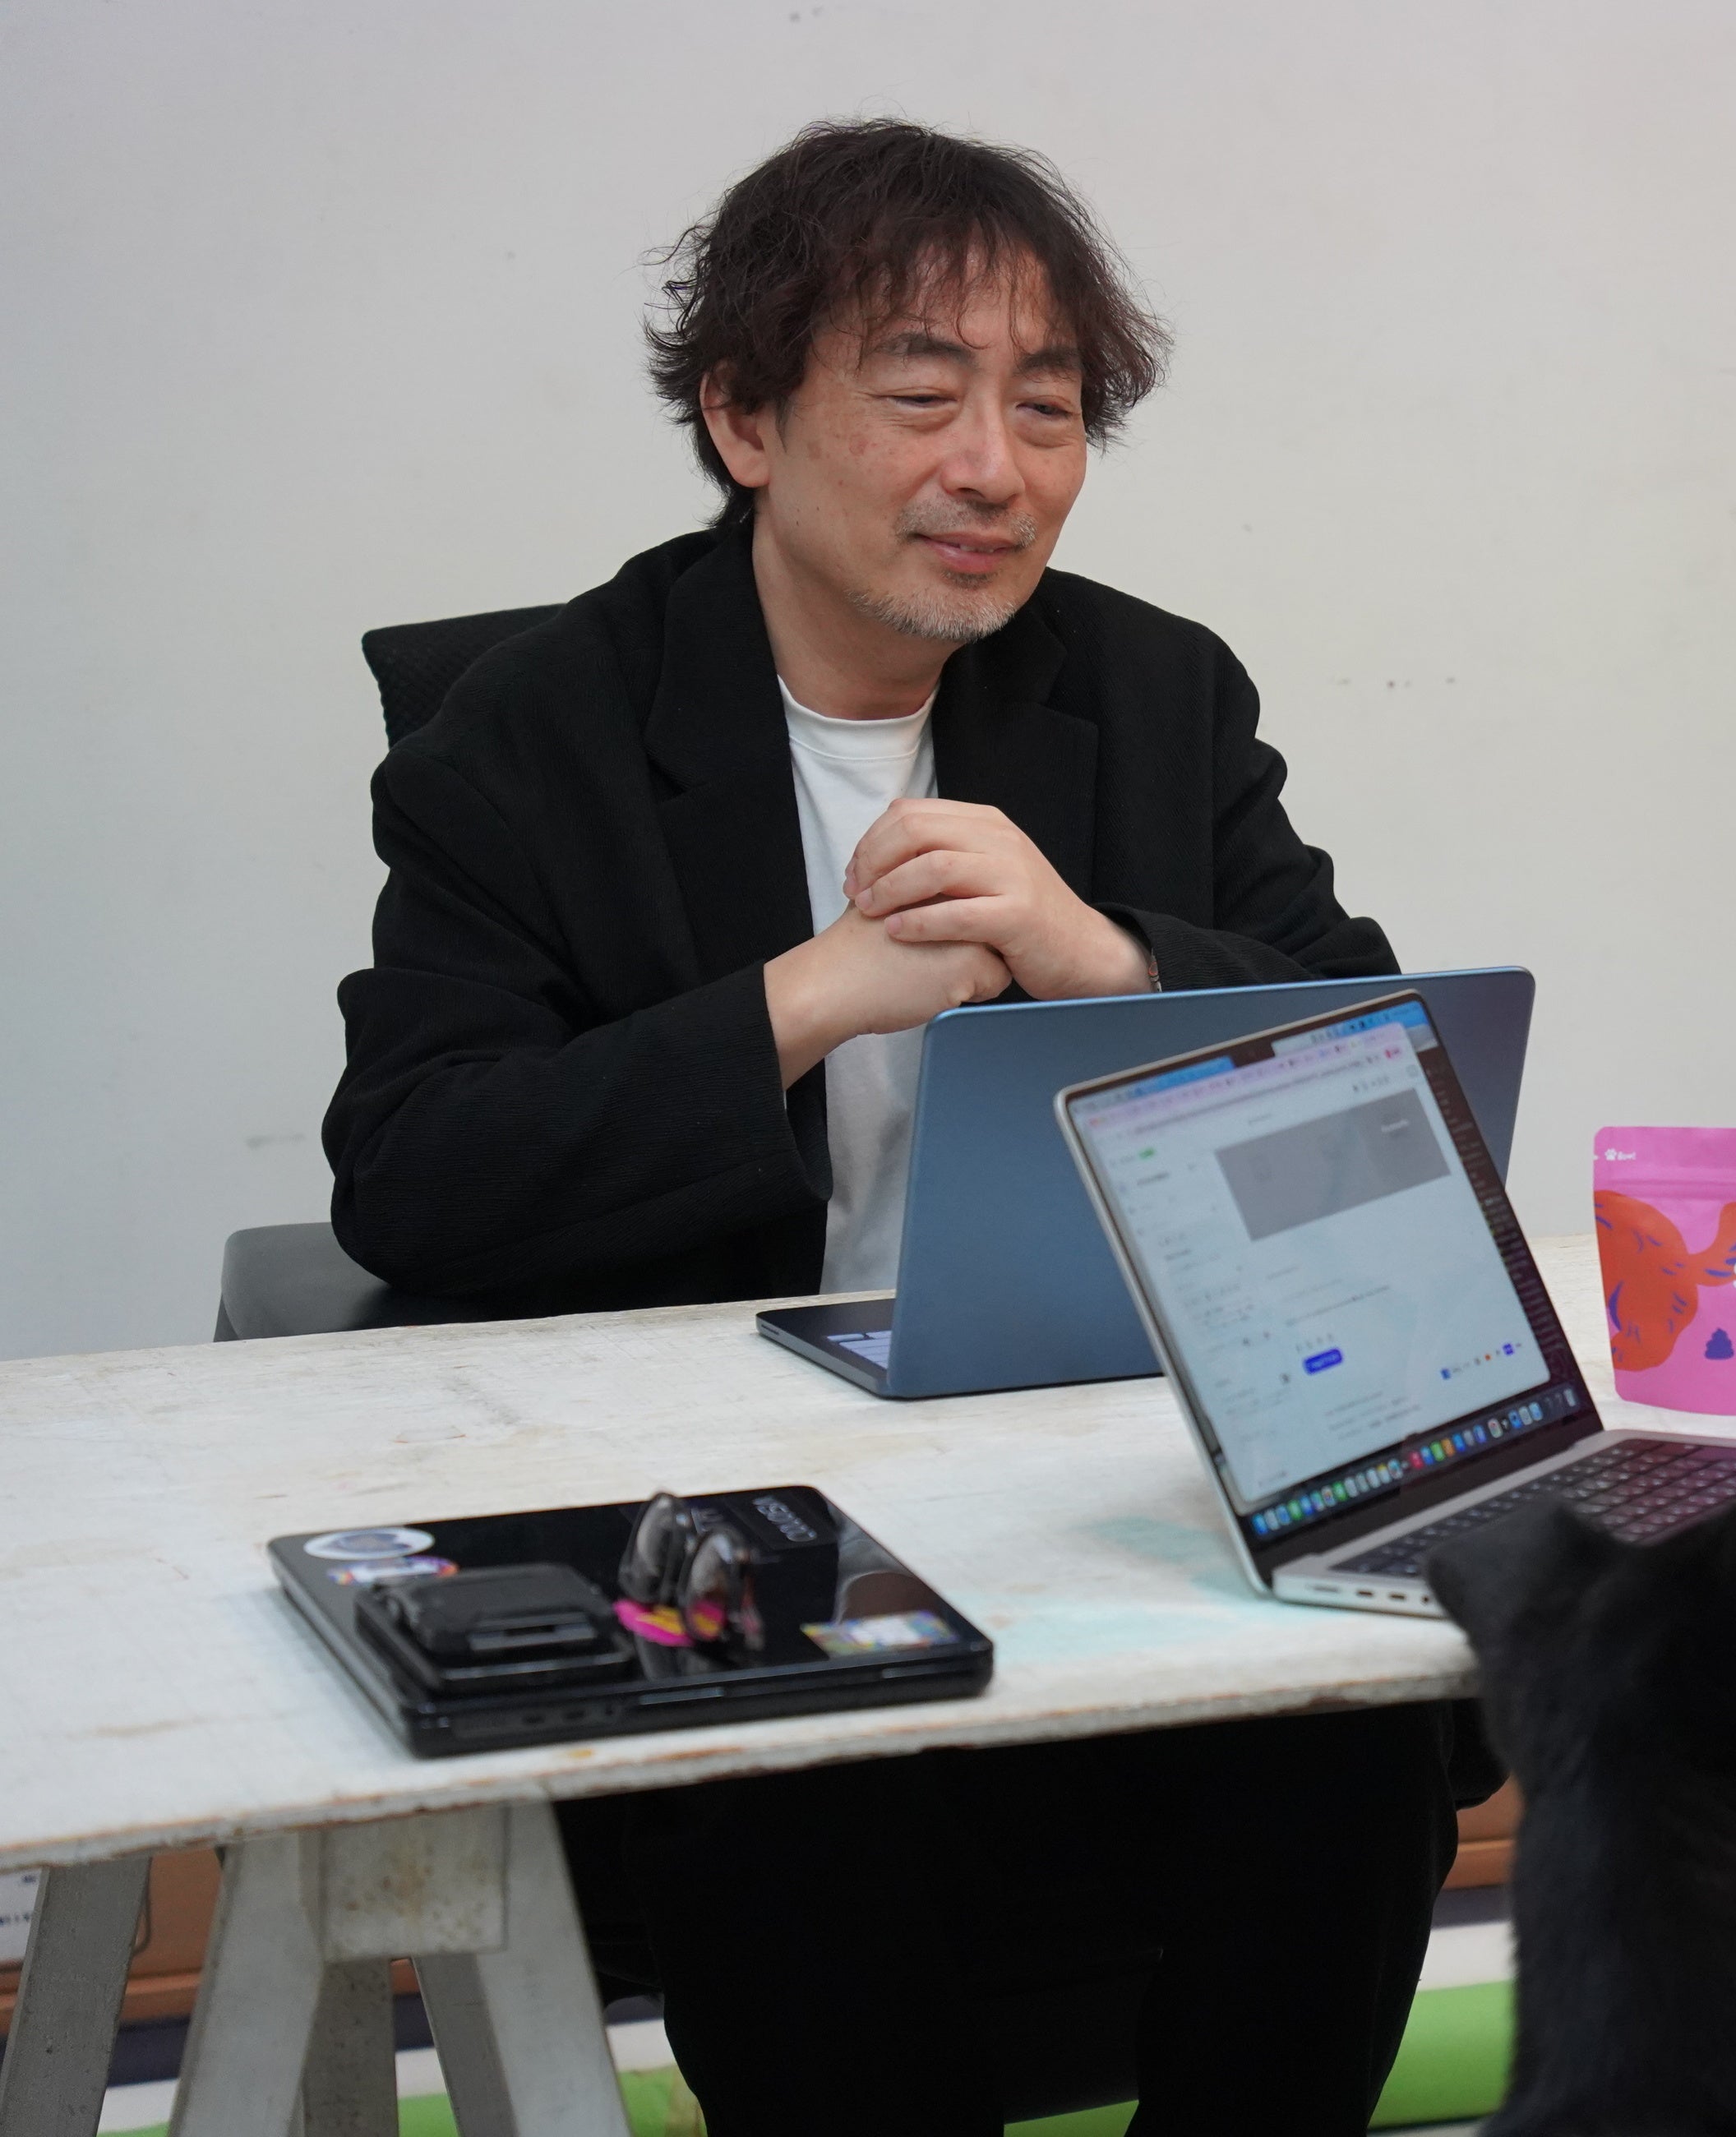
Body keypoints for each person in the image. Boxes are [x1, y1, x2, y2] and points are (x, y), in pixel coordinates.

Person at [323, 121, 1458, 2135]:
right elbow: (418, 1164)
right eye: (924, 397)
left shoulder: (1158, 692)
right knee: (803, 1792)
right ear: (743, 418)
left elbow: (1377, 1080)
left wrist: (1103, 958)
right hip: (726, 1522)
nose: (995, 467)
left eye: (1049, 406)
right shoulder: (534, 733)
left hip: (1092, 1476)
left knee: (1358, 1736)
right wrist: (810, 994)